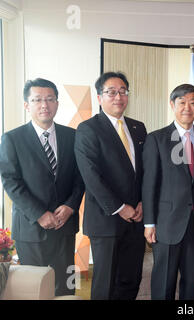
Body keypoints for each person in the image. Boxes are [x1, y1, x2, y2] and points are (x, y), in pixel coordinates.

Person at [0, 78, 84, 296]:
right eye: (37, 100)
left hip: (65, 226)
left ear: (57, 103)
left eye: (49, 99)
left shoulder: (72, 136)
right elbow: (11, 181)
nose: (44, 105)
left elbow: (80, 177)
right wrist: (39, 214)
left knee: (66, 285)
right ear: (27, 105)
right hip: (30, 229)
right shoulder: (12, 139)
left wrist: (70, 206)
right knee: (34, 288)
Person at [74, 72, 147, 300]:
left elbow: (146, 170)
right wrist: (119, 207)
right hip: (106, 220)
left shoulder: (138, 128)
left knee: (130, 280)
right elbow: (91, 176)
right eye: (111, 92)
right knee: (105, 284)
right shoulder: (88, 129)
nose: (118, 97)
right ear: (99, 97)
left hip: (136, 219)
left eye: (123, 91)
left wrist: (144, 202)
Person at [142, 84, 194, 300]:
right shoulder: (157, 139)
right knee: (164, 280)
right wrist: (149, 223)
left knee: (192, 283)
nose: (187, 107)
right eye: (182, 102)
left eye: (193, 102)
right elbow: (149, 183)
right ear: (172, 105)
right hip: (166, 223)